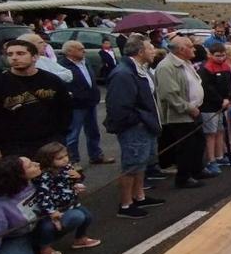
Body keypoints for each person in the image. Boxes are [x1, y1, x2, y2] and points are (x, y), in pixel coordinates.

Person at [105, 34, 166, 218]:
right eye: (150, 48)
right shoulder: (123, 73)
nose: (154, 51)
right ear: (140, 51)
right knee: (132, 164)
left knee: (141, 163)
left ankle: (139, 196)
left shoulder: (140, 69)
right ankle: (125, 204)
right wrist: (140, 121)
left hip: (145, 125)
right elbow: (120, 106)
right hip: (135, 128)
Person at [0, 40, 72, 158]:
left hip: (49, 144)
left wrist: (60, 136)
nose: (14, 58)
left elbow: (65, 109)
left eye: (20, 53)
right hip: (14, 148)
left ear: (35, 57)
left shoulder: (52, 80)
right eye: (10, 54)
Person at [155, 36, 208, 189]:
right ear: (181, 50)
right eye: (191, 46)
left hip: (195, 110)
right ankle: (184, 178)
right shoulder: (166, 67)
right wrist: (188, 108)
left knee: (198, 143)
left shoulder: (186, 63)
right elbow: (169, 94)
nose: (194, 49)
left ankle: (197, 170)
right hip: (181, 114)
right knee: (186, 147)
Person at [33, 142, 101, 254]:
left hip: (71, 202)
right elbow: (43, 196)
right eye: (60, 158)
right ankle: (45, 247)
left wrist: (78, 179)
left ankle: (80, 238)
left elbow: (72, 181)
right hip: (56, 208)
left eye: (66, 156)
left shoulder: (67, 167)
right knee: (49, 227)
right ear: (48, 160)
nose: (65, 160)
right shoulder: (45, 176)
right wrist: (51, 211)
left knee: (88, 217)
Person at [59, 41, 113, 170]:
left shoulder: (85, 61)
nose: (84, 51)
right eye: (80, 49)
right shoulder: (62, 66)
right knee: (73, 134)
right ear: (70, 51)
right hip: (76, 105)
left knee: (93, 131)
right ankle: (73, 160)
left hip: (90, 101)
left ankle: (96, 155)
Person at [0, 156, 43, 254]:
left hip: (38, 225)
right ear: (19, 176)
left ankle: (41, 245)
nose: (37, 164)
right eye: (30, 165)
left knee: (75, 216)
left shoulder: (36, 181)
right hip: (12, 237)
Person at [198, 42, 231, 176]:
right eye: (218, 56)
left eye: (223, 55)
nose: (221, 58)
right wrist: (221, 100)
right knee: (210, 134)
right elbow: (208, 88)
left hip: (222, 105)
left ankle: (220, 156)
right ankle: (211, 160)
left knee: (220, 131)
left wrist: (228, 97)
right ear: (211, 55)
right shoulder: (206, 68)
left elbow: (229, 84)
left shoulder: (225, 67)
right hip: (209, 106)